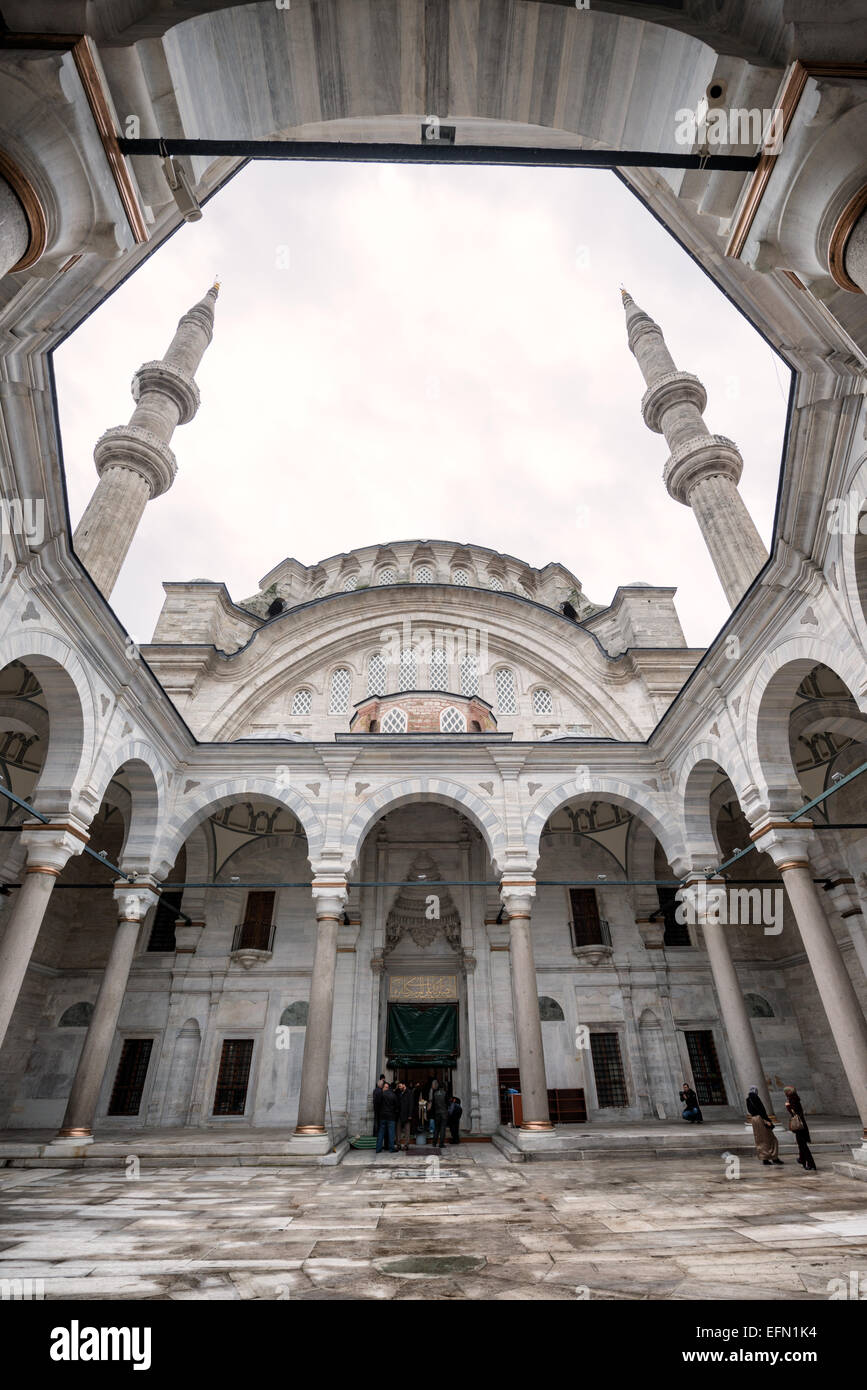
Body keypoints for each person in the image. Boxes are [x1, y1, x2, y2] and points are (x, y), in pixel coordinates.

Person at [746, 1086, 783, 1165]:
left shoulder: (748, 1099)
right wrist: (767, 1120)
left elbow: (750, 1110)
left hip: (754, 1120)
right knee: (772, 1139)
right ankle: (774, 1157)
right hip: (761, 1119)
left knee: (760, 1140)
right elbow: (761, 1111)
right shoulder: (756, 1098)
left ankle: (765, 1159)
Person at [784, 1085, 817, 1172]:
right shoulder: (796, 1098)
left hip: (799, 1125)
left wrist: (788, 1106)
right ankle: (802, 1159)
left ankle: (810, 1163)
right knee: (801, 1144)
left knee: (803, 1145)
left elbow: (794, 1111)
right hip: (802, 1124)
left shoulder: (792, 1099)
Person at [375, 1081, 399, 1154]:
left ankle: (378, 1148)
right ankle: (391, 1148)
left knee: (381, 1132)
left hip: (382, 1116)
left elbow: (378, 1105)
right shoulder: (394, 1095)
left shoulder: (382, 1094)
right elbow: (397, 1107)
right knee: (391, 1133)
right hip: (391, 1116)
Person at [430, 1079, 448, 1154]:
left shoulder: (435, 1093)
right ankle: (441, 1143)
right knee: (443, 1128)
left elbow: (433, 1105)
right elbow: (447, 1103)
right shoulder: (445, 1093)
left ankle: (434, 1143)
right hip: (443, 1113)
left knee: (436, 1128)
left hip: (437, 1113)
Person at [397, 1081, 414, 1153]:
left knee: (407, 1130)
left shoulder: (409, 1093)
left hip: (407, 1115)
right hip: (399, 1114)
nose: (399, 1087)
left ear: (404, 1085)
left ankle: (406, 1145)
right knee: (398, 1130)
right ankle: (398, 1144)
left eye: (400, 1086)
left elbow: (411, 1104)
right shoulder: (399, 1092)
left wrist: (410, 1115)